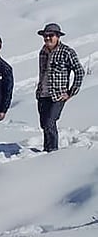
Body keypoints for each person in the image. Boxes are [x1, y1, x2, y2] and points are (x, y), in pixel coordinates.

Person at [35, 23, 85, 153]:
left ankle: (53, 152)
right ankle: (46, 150)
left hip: (58, 95)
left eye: (50, 36)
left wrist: (71, 92)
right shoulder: (42, 52)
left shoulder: (67, 52)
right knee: (44, 124)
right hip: (43, 94)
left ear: (57, 36)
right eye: (45, 36)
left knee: (50, 122)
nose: (47, 39)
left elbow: (79, 71)